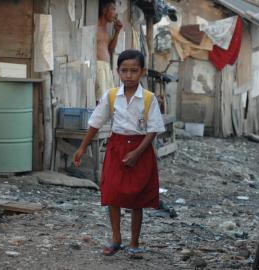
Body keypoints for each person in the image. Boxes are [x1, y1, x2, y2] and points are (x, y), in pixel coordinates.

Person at [73, 50, 165, 258]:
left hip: (141, 149)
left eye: (134, 71)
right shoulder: (112, 95)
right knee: (112, 193)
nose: (129, 75)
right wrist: (81, 148)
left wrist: (136, 153)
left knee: (137, 198)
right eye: (124, 71)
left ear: (143, 72)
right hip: (117, 148)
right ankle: (116, 239)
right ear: (117, 72)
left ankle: (134, 243)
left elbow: (153, 130)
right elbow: (95, 123)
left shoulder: (149, 99)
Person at [96, 0, 123, 103]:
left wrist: (117, 32)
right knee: (100, 100)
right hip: (98, 67)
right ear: (104, 11)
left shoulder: (106, 29)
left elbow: (110, 49)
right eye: (113, 9)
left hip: (107, 67)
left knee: (109, 100)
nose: (115, 13)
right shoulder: (95, 28)